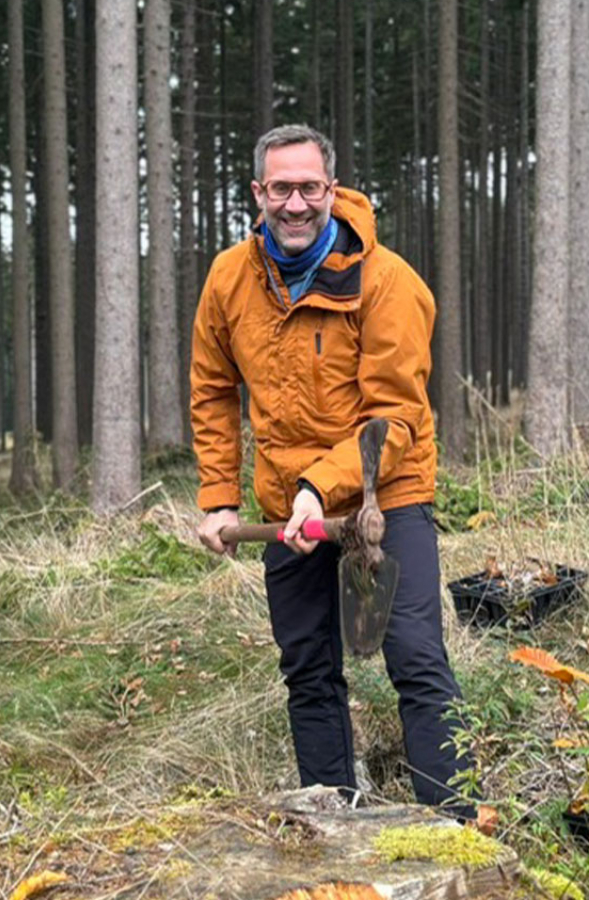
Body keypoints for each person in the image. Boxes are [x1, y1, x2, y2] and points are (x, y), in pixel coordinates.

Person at [190, 124, 475, 818]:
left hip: (388, 492)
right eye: (280, 188)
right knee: (309, 668)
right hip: (286, 506)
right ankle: (332, 820)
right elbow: (212, 389)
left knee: (415, 659)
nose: (295, 204)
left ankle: (458, 826)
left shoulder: (388, 282)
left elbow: (396, 418)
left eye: (309, 188)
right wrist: (220, 497)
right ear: (258, 193)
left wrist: (323, 485)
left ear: (332, 189)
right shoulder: (230, 278)